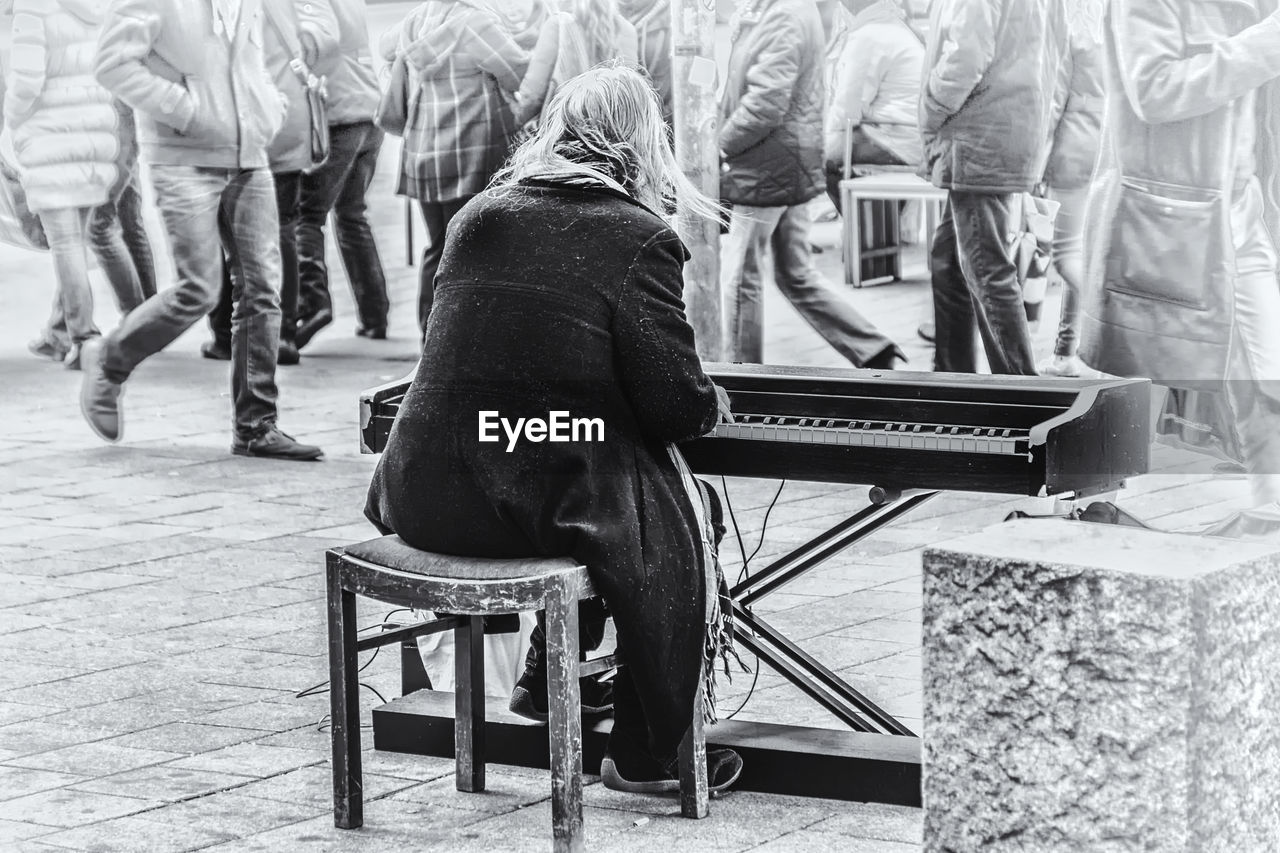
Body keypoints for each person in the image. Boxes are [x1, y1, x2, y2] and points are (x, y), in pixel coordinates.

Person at [365, 65, 744, 793]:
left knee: (582, 475)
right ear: (641, 146)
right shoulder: (637, 236)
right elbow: (673, 406)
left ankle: (545, 675)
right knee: (674, 515)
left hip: (422, 494)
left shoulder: (475, 215)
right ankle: (646, 754)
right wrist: (706, 401)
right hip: (518, 506)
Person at [84, 0, 324, 461]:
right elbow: (112, 64)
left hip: (250, 157)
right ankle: (110, 358)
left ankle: (256, 426)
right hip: (183, 160)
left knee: (262, 291)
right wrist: (186, 111)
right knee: (199, 290)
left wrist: (266, 112)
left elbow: (250, 65)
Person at [1079, 0, 1280, 536]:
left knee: (1265, 366)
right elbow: (1155, 91)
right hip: (1165, 219)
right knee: (1127, 361)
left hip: (1241, 209)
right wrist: (1265, 43)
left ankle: (1270, 511)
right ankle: (1078, 504)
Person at [720, 0, 904, 368]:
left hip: (767, 165)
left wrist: (717, 146)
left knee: (740, 278)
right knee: (795, 273)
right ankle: (871, 348)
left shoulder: (785, 14)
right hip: (785, 161)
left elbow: (765, 104)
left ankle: (740, 378)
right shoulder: (778, 11)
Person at [921, 0, 1068, 375]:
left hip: (979, 135)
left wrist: (929, 109)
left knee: (987, 270)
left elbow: (966, 57)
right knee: (949, 260)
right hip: (1002, 130)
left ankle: (1021, 392)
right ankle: (953, 376)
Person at [379, 0, 530, 341]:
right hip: (472, 152)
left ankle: (429, 336)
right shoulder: (474, 22)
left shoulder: (415, 21)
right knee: (477, 250)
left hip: (424, 152)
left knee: (439, 246)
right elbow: (517, 71)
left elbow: (386, 48)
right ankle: (463, 340)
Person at [7, 0, 144, 369]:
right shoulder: (99, 7)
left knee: (66, 244)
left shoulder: (34, 8)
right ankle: (64, 331)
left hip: (51, 137)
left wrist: (13, 118)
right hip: (95, 134)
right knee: (77, 241)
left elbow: (27, 79)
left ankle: (84, 338)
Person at [201, 0, 339, 365]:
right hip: (286, 115)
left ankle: (225, 331)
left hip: (243, 120)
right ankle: (284, 335)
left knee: (227, 225)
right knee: (282, 227)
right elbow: (329, 41)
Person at [293, 0, 390, 348]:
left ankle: (313, 305)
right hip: (368, 110)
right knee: (352, 216)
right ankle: (375, 315)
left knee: (307, 215)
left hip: (336, 116)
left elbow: (322, 39)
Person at [1037, 4, 1105, 378]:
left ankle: (1113, 325)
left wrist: (1034, 162)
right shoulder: (1116, 29)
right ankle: (1065, 353)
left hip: (1072, 150)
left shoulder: (1070, 31)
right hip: (1107, 153)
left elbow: (1051, 101)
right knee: (1084, 254)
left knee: (1065, 258)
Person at [822, 0, 923, 212]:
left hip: (892, 142)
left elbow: (845, 114)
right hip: (909, 140)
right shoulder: (891, 26)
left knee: (808, 154)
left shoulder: (869, 35)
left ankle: (860, 229)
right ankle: (874, 230)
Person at [513, 0, 639, 125]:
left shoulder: (558, 25)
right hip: (611, 136)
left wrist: (519, 121)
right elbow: (630, 96)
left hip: (566, 134)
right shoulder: (627, 30)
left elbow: (532, 97)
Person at [618, 0, 671, 126]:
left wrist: (657, 123)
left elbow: (702, 85)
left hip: (662, 129)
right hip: (611, 130)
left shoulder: (677, 17)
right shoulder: (599, 14)